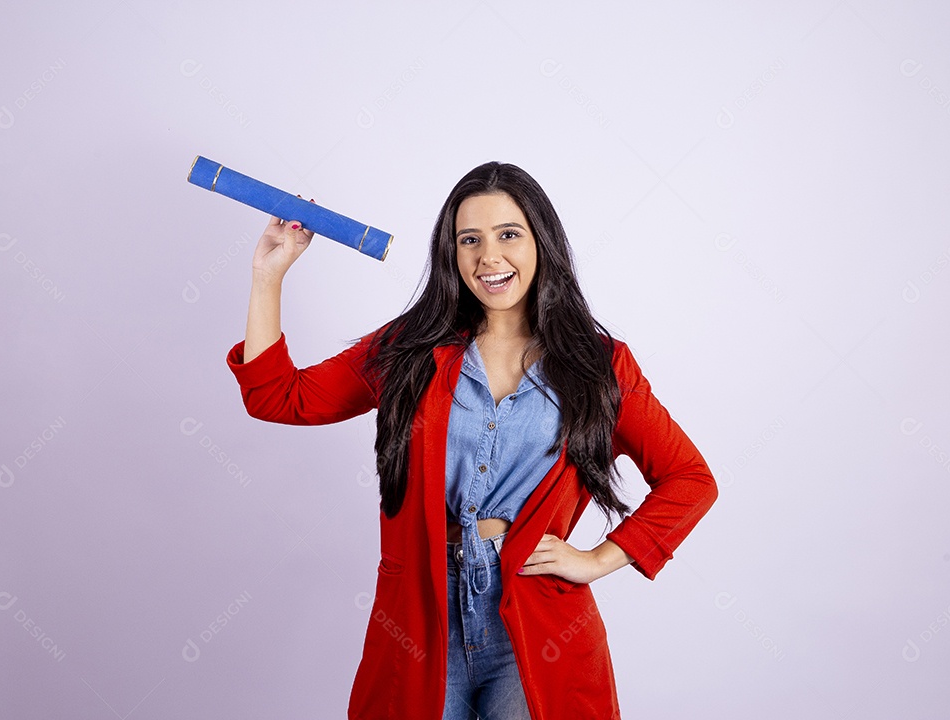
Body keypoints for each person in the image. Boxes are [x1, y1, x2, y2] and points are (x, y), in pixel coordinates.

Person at [225, 161, 718, 719]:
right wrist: (269, 276)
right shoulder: (408, 349)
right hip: (419, 613)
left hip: (536, 619)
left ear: (542, 242)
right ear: (451, 253)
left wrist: (599, 559)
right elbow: (279, 398)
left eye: (509, 234)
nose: (489, 257)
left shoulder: (599, 366)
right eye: (470, 240)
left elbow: (690, 480)